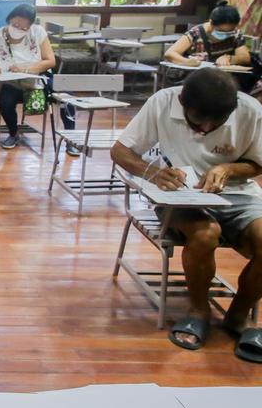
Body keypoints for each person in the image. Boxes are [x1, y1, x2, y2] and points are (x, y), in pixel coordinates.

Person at [110, 69, 262, 363]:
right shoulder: (163, 102)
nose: (204, 129)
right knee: (205, 233)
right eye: (197, 122)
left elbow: (258, 163)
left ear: (232, 109)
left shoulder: (251, 110)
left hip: (238, 194)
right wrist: (153, 173)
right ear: (182, 101)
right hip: (179, 195)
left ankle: (240, 314)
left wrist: (229, 169)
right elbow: (120, 152)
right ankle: (198, 310)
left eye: (214, 125)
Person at [0, 3, 78, 153]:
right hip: (13, 82)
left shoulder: (37, 32)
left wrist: (26, 69)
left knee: (67, 96)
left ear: (29, 26)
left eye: (23, 28)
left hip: (39, 78)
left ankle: (71, 140)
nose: (18, 29)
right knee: (5, 101)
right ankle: (13, 133)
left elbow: (50, 61)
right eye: (15, 24)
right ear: (9, 19)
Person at [163, 1, 254, 91]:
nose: (225, 34)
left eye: (229, 32)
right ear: (211, 23)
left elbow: (245, 57)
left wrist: (230, 58)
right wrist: (188, 61)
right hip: (198, 81)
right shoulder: (196, 33)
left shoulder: (235, 34)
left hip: (223, 81)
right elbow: (170, 53)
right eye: (221, 31)